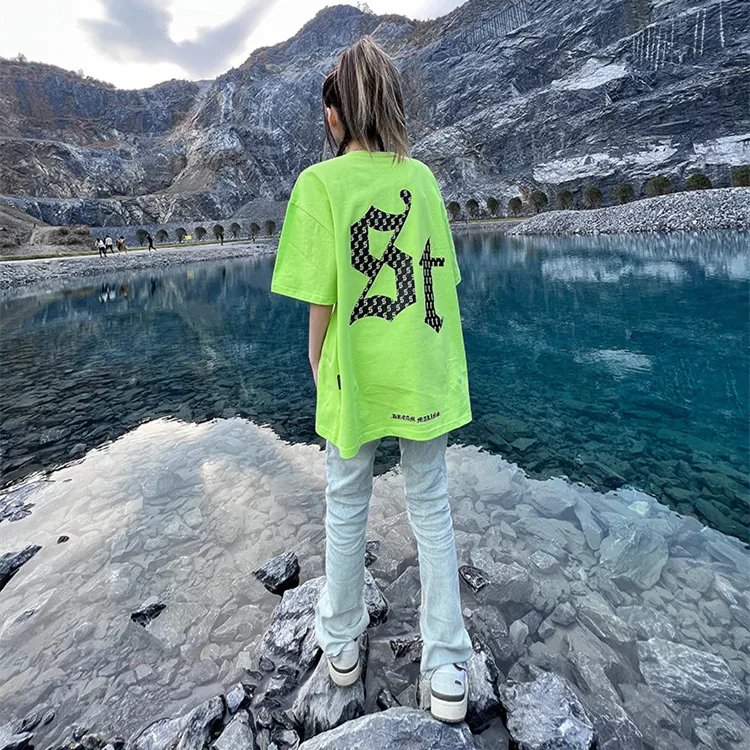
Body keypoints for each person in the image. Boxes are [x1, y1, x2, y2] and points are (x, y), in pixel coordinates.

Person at [270, 36, 473, 724]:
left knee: (346, 502)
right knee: (431, 505)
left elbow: (321, 298)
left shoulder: (319, 184)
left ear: (334, 115)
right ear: (389, 103)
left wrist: (316, 362)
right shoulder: (423, 180)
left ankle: (342, 645)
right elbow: (441, 279)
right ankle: (446, 667)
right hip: (420, 367)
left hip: (354, 372)